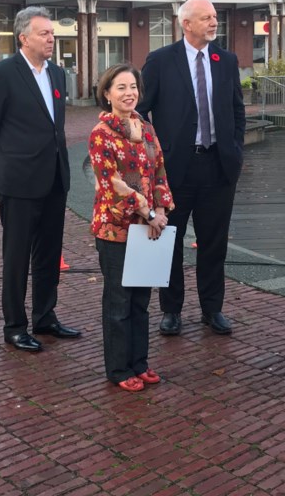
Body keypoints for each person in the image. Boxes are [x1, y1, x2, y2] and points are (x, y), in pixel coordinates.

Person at [137, 0, 246, 336]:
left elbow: (237, 110)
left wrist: (235, 149)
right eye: (206, 18)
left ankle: (212, 309)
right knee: (168, 240)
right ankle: (171, 310)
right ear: (186, 23)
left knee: (214, 244)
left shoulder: (225, 60)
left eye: (215, 17)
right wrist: (153, 155)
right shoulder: (160, 61)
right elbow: (141, 111)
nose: (214, 23)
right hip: (174, 171)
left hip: (218, 167)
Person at [0, 6, 81, 352]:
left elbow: (55, 127)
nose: (51, 38)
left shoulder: (58, 74)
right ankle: (15, 325)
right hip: (18, 182)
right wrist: (0, 172)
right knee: (17, 255)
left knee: (49, 253)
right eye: (43, 33)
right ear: (23, 37)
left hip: (54, 178)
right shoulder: (4, 73)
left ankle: (45, 316)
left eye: (52, 33)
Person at [89, 64, 174, 392]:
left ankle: (140, 362)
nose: (129, 93)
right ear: (107, 94)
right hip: (116, 229)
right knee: (119, 302)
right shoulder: (101, 134)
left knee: (141, 301)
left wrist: (162, 209)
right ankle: (119, 368)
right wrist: (150, 213)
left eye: (133, 86)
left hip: (149, 226)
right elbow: (113, 185)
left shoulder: (147, 129)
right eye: (120, 87)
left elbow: (160, 172)